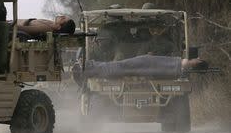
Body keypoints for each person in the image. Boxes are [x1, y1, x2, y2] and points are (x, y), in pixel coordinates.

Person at [72, 55, 206, 84]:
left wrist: (191, 62)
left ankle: (84, 68)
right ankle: (84, 68)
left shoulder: (182, 64)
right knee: (144, 61)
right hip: (119, 69)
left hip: (117, 69)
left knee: (110, 67)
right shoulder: (181, 65)